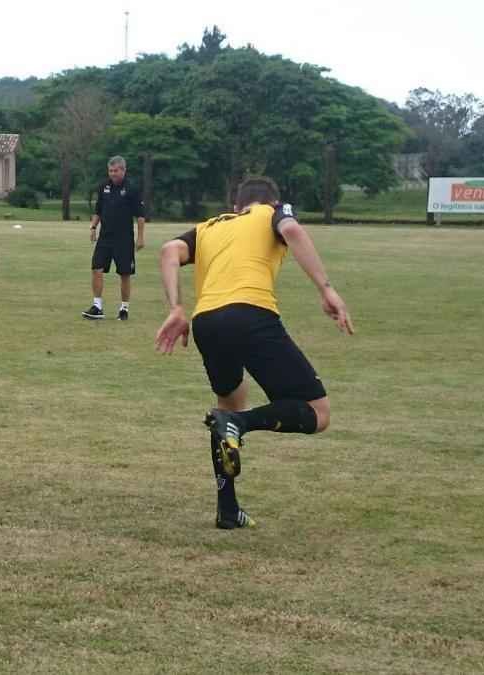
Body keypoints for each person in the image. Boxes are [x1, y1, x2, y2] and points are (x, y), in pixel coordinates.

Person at [155, 176, 354, 529]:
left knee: (229, 402)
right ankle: (240, 424)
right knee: (317, 412)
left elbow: (169, 251)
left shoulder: (210, 226)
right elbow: (291, 231)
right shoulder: (273, 212)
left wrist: (176, 308)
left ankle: (228, 510)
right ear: (270, 200)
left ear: (236, 206)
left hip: (207, 322)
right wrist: (326, 289)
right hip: (250, 312)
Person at [82, 156, 146, 321]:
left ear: (123, 170)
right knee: (96, 268)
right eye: (110, 171)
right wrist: (93, 227)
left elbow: (140, 216)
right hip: (105, 238)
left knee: (124, 274)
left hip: (124, 239)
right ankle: (97, 307)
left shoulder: (132, 188)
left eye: (116, 171)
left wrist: (140, 238)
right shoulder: (104, 187)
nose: (113, 174)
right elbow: (98, 210)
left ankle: (124, 308)